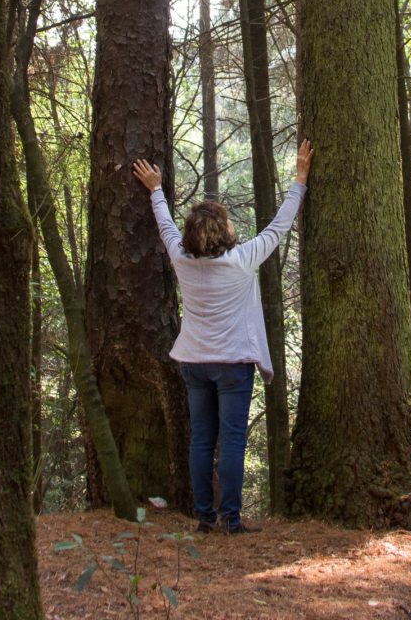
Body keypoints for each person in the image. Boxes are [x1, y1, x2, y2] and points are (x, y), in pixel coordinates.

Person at [133, 138, 313, 535]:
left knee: (201, 440)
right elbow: (281, 224)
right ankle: (231, 519)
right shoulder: (243, 259)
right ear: (224, 230)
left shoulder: (182, 260)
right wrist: (300, 178)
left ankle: (205, 518)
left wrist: (156, 190)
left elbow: (165, 225)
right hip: (233, 365)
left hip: (195, 363)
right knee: (230, 440)